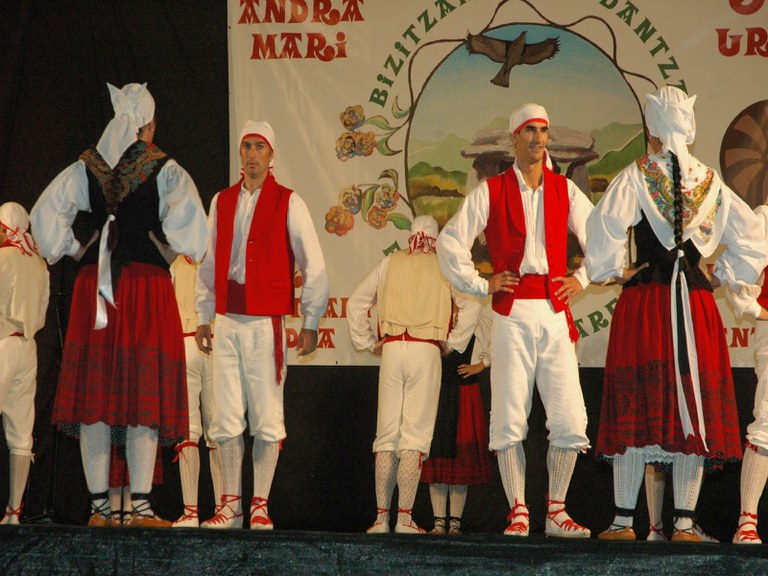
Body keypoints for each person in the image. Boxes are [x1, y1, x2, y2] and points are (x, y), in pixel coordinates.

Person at [585, 86, 764, 542]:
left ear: (653, 127)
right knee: (692, 404)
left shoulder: (637, 175)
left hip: (646, 303)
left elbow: (603, 229)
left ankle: (623, 521)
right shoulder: (710, 182)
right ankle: (683, 522)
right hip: (695, 305)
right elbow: (753, 240)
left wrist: (615, 271)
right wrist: (722, 274)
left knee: (638, 404)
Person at [30, 82, 209, 527]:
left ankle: (99, 508)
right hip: (145, 287)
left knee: (96, 393)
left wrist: (76, 248)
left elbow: (44, 217)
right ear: (150, 124)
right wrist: (167, 250)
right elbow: (195, 232)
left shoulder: (86, 166)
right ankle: (141, 507)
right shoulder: (163, 168)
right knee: (140, 394)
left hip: (96, 285)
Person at [436, 103, 593, 539]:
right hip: (510, 311)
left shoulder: (564, 189)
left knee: (569, 418)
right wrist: (479, 282)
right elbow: (451, 242)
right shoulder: (492, 190)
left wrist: (581, 278)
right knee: (508, 417)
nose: (538, 138)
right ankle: (519, 510)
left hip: (554, 311)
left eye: (543, 130)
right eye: (529, 131)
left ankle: (556, 511)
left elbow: (603, 236)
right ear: (514, 139)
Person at [195, 120, 328, 530]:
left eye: (260, 147)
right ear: (240, 153)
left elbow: (314, 264)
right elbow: (209, 261)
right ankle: (231, 506)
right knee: (225, 417)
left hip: (265, 322)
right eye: (247, 146)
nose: (252, 154)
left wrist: (310, 320)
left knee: (268, 417)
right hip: (227, 320)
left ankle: (259, 505)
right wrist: (203, 315)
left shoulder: (289, 201)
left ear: (272, 155)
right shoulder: (222, 201)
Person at [347, 215, 481, 534]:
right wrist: (453, 342)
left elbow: (355, 303)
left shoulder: (390, 262)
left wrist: (368, 342)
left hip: (393, 349)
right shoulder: (444, 265)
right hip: (426, 349)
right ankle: (404, 518)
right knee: (414, 436)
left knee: (386, 435)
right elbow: (473, 304)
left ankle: (382, 518)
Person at [422, 298, 493, 535]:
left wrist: (481, 365)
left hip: (464, 391)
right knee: (437, 456)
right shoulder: (433, 314)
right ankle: (438, 522)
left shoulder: (474, 314)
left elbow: (498, 339)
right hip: (437, 391)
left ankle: (455, 523)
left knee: (462, 459)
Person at [0, 202, 50, 525]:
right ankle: (14, 512)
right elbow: (41, 313)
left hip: (3, 343)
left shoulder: (3, 258)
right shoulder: (38, 263)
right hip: (28, 347)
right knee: (21, 433)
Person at [170, 255, 223, 528]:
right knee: (218, 428)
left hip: (185, 341)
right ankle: (223, 510)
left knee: (189, 429)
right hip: (213, 341)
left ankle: (191, 512)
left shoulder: (176, 261)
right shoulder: (218, 256)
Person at [726, 227, 768, 544]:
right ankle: (746, 523)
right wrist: (755, 309)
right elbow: (736, 274)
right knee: (767, 423)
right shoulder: (764, 219)